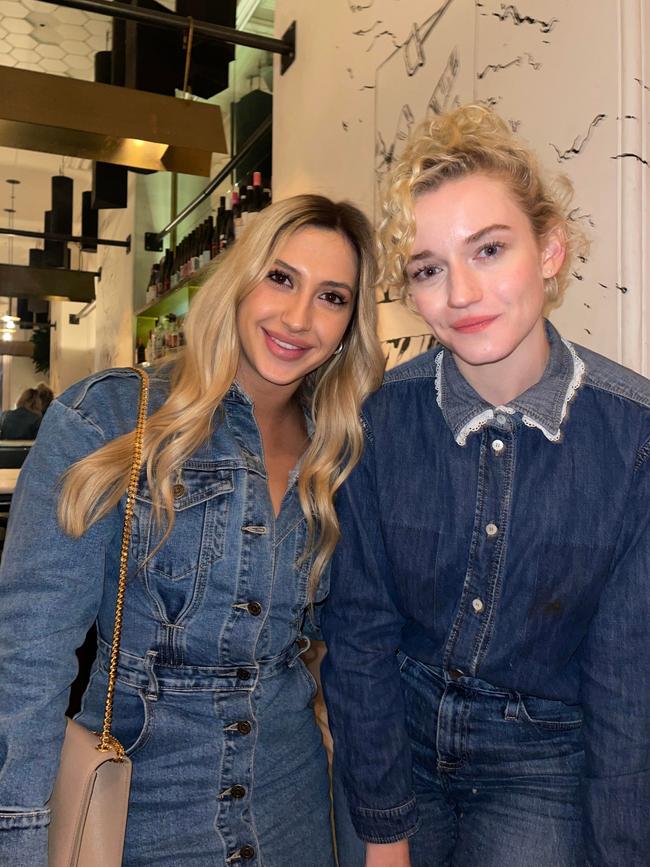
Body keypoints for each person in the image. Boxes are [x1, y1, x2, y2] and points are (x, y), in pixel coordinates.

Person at [0, 194, 384, 866]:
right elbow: (28, 660)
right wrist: (19, 838)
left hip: (293, 810)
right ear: (240, 277)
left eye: (332, 296)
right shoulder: (112, 416)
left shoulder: (340, 454)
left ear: (351, 323)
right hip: (137, 814)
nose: (299, 317)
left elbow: (349, 657)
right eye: (281, 278)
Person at [321, 105, 650, 867]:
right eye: (429, 268)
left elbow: (627, 683)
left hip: (544, 759)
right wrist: (384, 831)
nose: (460, 293)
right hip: (391, 737)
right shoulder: (379, 420)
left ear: (549, 251)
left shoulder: (631, 439)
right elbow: (359, 634)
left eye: (490, 249)